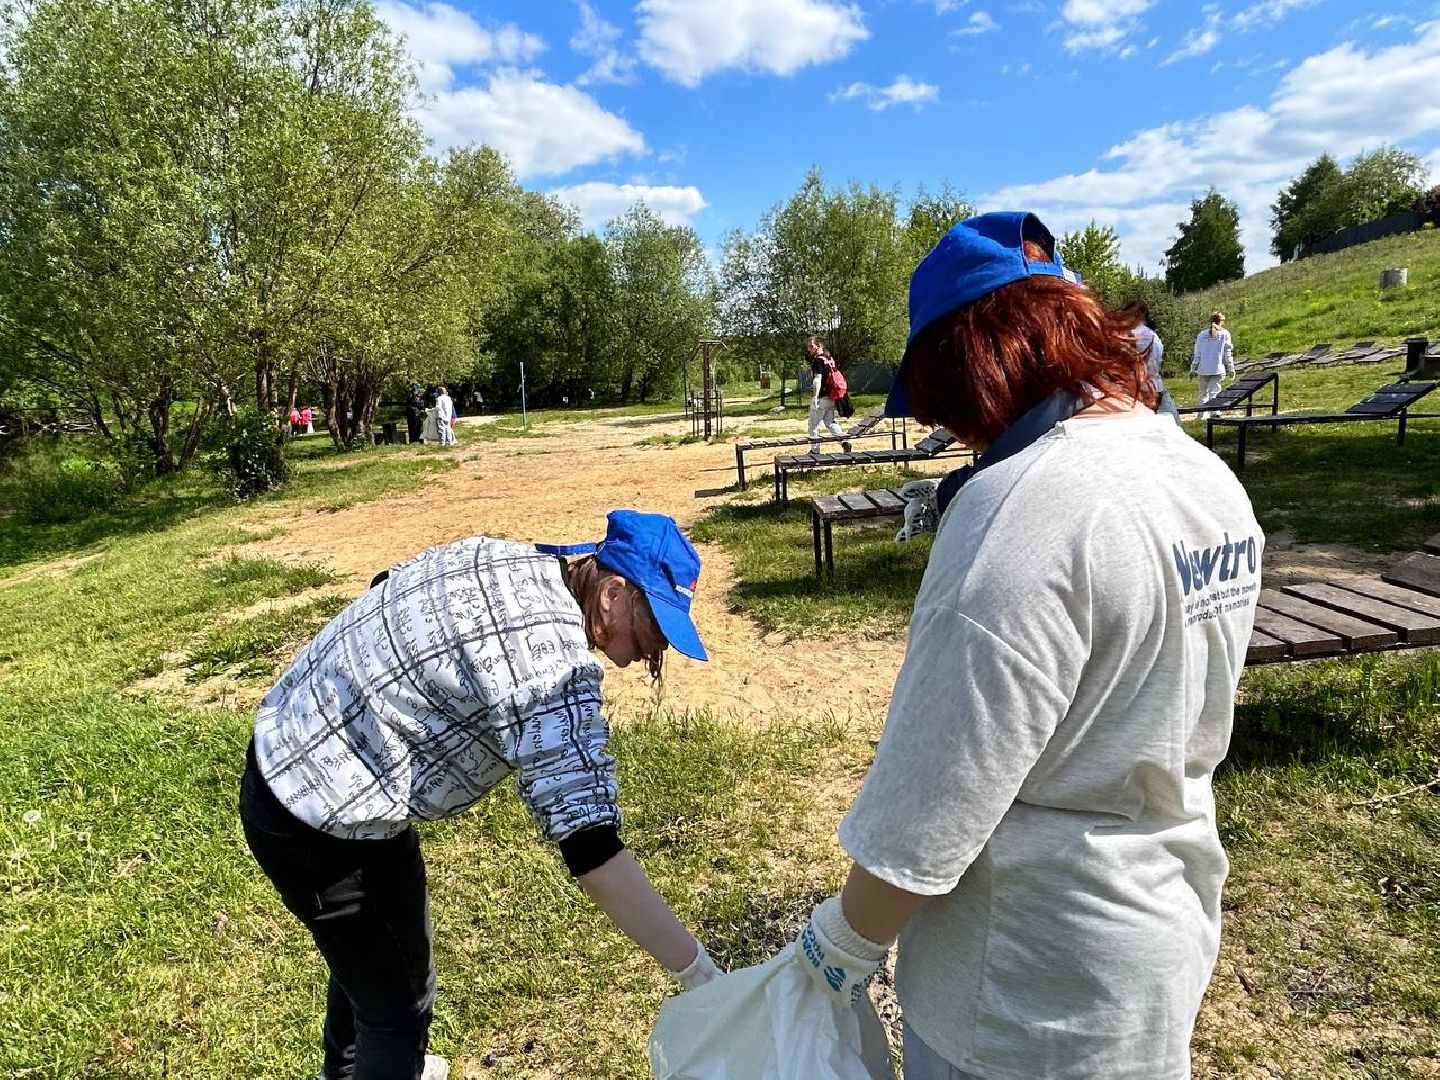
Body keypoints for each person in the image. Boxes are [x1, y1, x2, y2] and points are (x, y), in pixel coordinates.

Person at [785, 212, 1262, 1079]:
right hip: (1159, 942)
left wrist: (836, 947)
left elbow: (932, 807)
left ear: (973, 361)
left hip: (1018, 992)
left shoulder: (1020, 507)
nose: (966, 436)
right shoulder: (1205, 478)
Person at [239, 511, 718, 1080]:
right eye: (655, 627)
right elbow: (592, 851)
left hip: (290, 758)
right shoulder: (551, 667)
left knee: (375, 959)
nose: (655, 649)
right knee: (396, 1012)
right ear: (613, 593)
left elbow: (385, 582)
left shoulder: (505, 556)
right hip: (327, 821)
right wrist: (698, 972)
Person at [1122, 300, 1180, 423]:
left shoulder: (1134, 334)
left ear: (1137, 314)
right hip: (1155, 387)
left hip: (1138, 389)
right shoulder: (1153, 335)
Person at [805, 336, 851, 453]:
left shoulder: (817, 361)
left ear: (818, 346)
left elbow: (818, 379)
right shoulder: (830, 359)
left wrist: (815, 396)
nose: (809, 350)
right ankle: (844, 441)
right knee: (830, 422)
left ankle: (815, 451)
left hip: (822, 398)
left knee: (813, 425)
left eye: (811, 347)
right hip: (832, 397)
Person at [1190, 311, 1235, 417]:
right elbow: (1227, 353)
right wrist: (1231, 368)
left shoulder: (1201, 335)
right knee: (1214, 391)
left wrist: (1193, 368)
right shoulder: (1224, 334)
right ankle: (1214, 412)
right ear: (1222, 322)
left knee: (1202, 393)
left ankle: (1201, 415)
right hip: (1217, 368)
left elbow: (1197, 354)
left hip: (1203, 369)